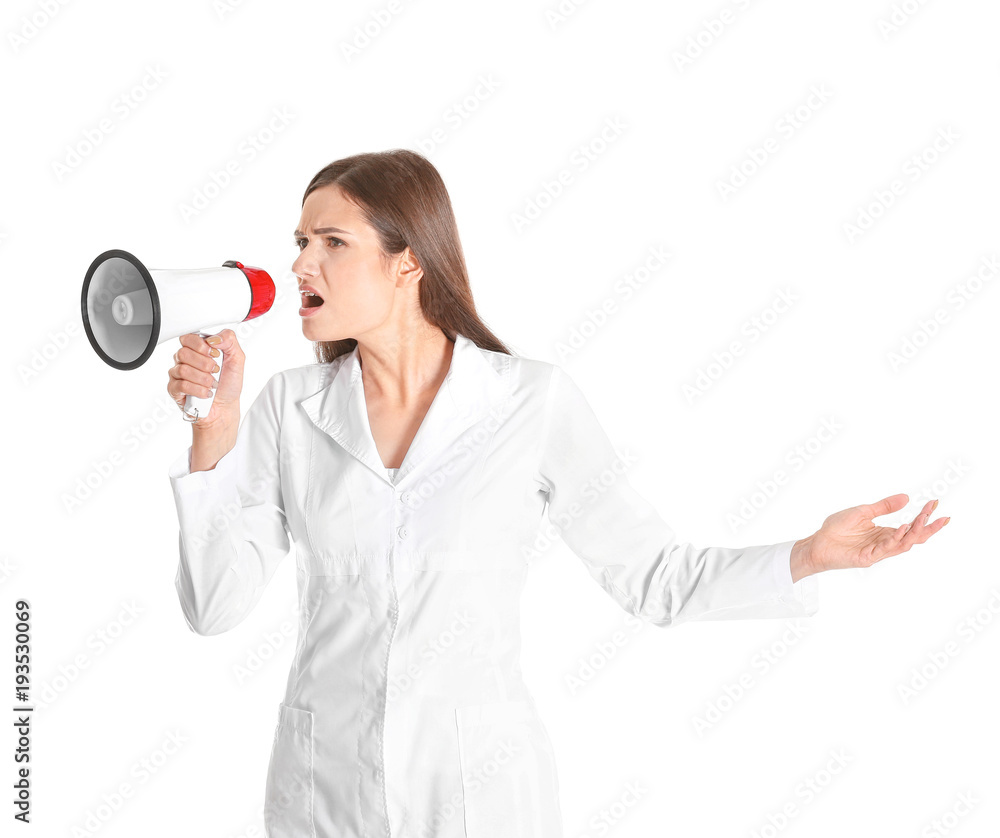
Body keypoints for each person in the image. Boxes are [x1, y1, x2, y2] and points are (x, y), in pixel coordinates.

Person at [165, 149, 949, 838]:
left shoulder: (528, 404)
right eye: (301, 241)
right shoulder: (287, 408)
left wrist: (807, 556)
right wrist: (213, 432)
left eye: (333, 242)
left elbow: (655, 580)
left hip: (477, 796)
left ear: (409, 263)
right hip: (323, 793)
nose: (302, 264)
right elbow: (215, 607)